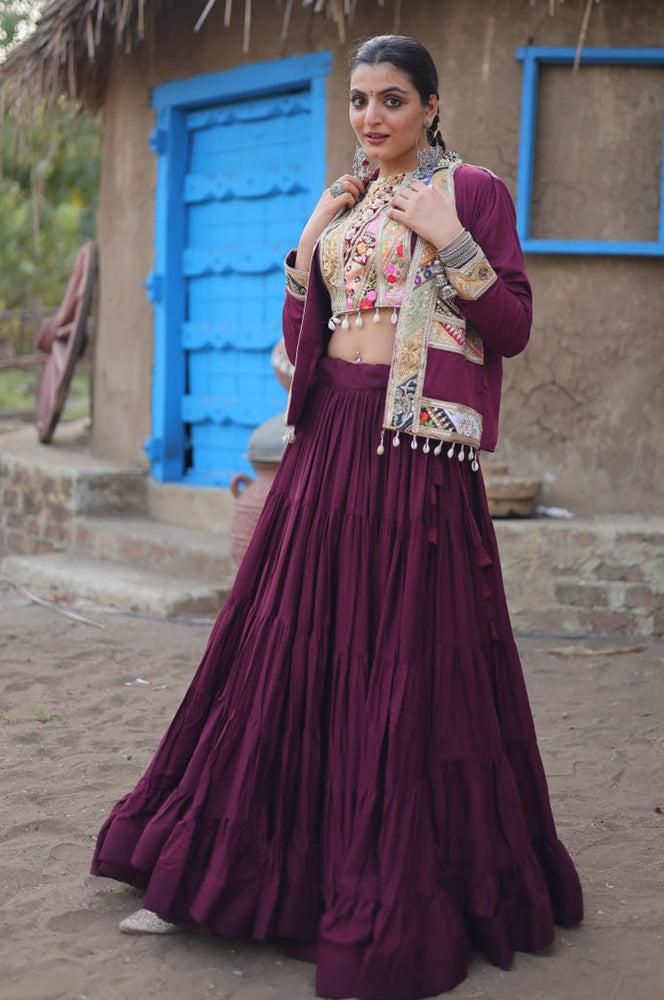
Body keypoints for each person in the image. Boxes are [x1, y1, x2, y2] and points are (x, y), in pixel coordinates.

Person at [90, 34, 583, 1000]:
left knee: (399, 656)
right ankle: (222, 873)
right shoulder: (346, 202)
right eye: (358, 100)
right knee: (280, 649)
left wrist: (451, 237)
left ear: (431, 106)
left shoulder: (472, 192)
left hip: (415, 454)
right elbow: (300, 340)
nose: (371, 117)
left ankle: (384, 880)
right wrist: (310, 235)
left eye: (392, 99)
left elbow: (514, 327)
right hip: (328, 440)